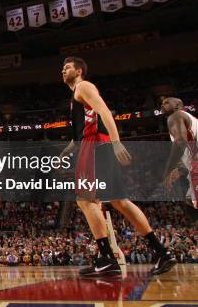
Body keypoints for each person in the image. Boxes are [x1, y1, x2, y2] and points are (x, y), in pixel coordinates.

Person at [60, 57, 176, 276]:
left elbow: (104, 111)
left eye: (67, 67)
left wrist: (116, 142)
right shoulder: (76, 97)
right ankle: (161, 252)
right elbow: (77, 138)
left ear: (79, 70)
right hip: (91, 143)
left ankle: (106, 259)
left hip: (95, 145)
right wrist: (63, 155)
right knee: (119, 201)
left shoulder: (83, 86)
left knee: (85, 200)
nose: (63, 70)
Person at [161, 97, 198, 209]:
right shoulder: (190, 119)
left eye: (167, 102)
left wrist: (167, 171)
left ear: (178, 105)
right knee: (190, 200)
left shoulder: (175, 116)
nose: (163, 104)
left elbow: (181, 143)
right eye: (162, 103)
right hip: (194, 164)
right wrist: (181, 169)